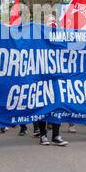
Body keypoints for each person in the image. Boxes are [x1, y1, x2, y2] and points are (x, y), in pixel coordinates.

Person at [36, 14, 69, 146]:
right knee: (43, 107)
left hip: (57, 79)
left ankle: (56, 135)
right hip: (42, 79)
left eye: (54, 21)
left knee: (57, 107)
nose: (52, 23)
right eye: (49, 22)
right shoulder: (38, 37)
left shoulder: (62, 38)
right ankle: (43, 134)